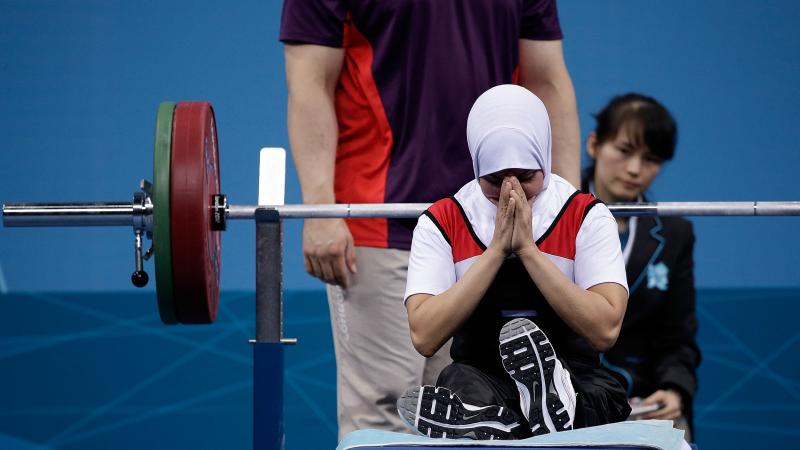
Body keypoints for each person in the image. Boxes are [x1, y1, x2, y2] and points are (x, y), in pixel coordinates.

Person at [279, 1, 581, 439]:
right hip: (381, 220)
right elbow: (309, 83)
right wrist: (321, 208)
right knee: (386, 411)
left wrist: (562, 212)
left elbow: (547, 81)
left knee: (478, 411)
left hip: (489, 225)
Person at [398, 85, 630, 440]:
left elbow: (605, 329)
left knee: (600, 394)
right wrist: (494, 252)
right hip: (483, 379)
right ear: (476, 166)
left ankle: (544, 402)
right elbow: (425, 335)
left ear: (545, 161)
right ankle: (498, 420)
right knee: (456, 382)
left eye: (525, 177)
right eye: (494, 180)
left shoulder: (585, 215)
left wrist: (528, 252)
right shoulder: (442, 221)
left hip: (574, 376)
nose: (512, 192)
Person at [581, 93, 700, 439]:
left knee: (675, 428)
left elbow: (677, 336)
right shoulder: (549, 213)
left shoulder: (676, 234)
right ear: (594, 145)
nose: (635, 170)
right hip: (562, 391)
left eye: (650, 159)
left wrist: (674, 389)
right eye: (623, 150)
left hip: (638, 397)